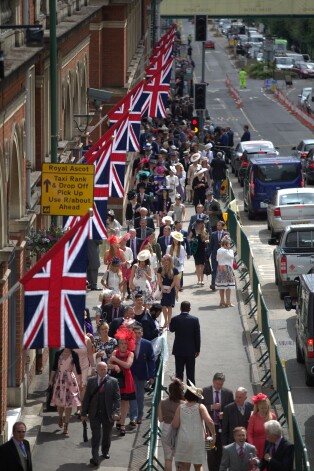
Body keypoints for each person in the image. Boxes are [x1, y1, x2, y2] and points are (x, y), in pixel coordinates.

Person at [81, 362, 121, 467]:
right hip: (94, 413)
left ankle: (105, 451)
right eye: (101, 369)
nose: (103, 371)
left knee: (107, 434)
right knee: (96, 435)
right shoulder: (91, 381)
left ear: (107, 369)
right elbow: (87, 398)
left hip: (107, 413)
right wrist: (83, 413)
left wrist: (116, 411)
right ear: (96, 370)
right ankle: (95, 457)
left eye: (105, 369)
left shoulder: (113, 381)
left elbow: (117, 398)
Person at [172, 382, 216, 471]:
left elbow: (175, 424)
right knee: (198, 466)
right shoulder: (200, 407)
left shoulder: (180, 407)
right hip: (198, 440)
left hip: (183, 439)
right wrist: (213, 434)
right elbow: (210, 422)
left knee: (185, 466)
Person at [107, 324, 136, 437]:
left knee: (125, 403)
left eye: (125, 343)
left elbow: (128, 365)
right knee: (116, 402)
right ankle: (118, 420)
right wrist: (114, 366)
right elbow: (108, 365)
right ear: (118, 344)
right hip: (116, 380)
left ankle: (122, 424)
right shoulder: (115, 353)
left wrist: (116, 361)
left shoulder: (130, 354)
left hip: (127, 380)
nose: (123, 345)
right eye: (121, 343)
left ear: (128, 344)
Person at [203, 372, 234, 471]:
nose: (219, 386)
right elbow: (200, 407)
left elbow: (231, 409)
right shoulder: (205, 391)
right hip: (209, 429)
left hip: (222, 428)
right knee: (210, 452)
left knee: (222, 452)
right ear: (213, 381)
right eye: (217, 384)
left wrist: (224, 414)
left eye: (221, 384)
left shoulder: (228, 393)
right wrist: (211, 407)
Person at [49, 348, 82, 435]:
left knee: (69, 403)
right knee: (60, 403)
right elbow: (54, 367)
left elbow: (78, 368)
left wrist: (80, 381)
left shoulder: (74, 354)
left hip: (70, 380)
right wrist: (51, 379)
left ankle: (66, 425)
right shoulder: (58, 353)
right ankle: (60, 417)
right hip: (59, 380)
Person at [129, 325, 155, 426]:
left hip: (142, 373)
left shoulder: (147, 344)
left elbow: (151, 360)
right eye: (135, 333)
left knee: (140, 396)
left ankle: (139, 416)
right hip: (131, 373)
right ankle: (133, 417)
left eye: (139, 333)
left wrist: (151, 376)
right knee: (132, 395)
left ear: (142, 333)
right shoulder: (129, 342)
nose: (137, 335)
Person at [169, 301, 201, 385]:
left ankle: (178, 393)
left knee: (179, 373)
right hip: (191, 351)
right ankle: (191, 395)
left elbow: (171, 329)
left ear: (180, 308)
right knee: (190, 374)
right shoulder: (194, 320)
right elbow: (197, 336)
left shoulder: (175, 319)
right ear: (189, 309)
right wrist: (197, 349)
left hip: (178, 350)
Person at [158, 379, 185, 471]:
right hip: (179, 431)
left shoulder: (162, 402)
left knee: (168, 459)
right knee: (179, 460)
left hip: (166, 430)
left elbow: (160, 419)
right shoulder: (183, 404)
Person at [247, 393, 277, 459]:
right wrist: (252, 446)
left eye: (265, 408)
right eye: (262, 408)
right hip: (256, 446)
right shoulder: (253, 417)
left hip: (270, 447)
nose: (264, 410)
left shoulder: (273, 416)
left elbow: (277, 432)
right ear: (258, 407)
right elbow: (249, 433)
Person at [73, 333, 95, 416]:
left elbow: (90, 354)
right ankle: (78, 407)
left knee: (82, 386)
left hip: (84, 366)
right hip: (73, 366)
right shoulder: (70, 338)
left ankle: (82, 409)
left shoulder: (87, 339)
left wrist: (93, 367)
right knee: (75, 387)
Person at [157, 254, 180, 327]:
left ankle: (169, 321)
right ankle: (165, 320)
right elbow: (159, 280)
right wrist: (162, 288)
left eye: (168, 260)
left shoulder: (175, 270)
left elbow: (175, 281)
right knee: (163, 306)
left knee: (169, 306)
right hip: (163, 288)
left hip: (171, 289)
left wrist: (170, 289)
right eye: (165, 260)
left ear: (170, 261)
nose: (166, 261)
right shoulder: (160, 269)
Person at [207, 220, 229, 291]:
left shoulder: (226, 234)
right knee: (215, 270)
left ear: (222, 226)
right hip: (215, 256)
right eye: (217, 225)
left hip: (223, 256)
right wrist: (207, 254)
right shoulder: (213, 234)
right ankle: (213, 284)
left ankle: (222, 284)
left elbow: (228, 244)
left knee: (222, 271)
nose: (217, 227)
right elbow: (211, 245)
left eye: (219, 225)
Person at [189, 218, 210, 286]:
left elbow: (208, 239)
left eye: (201, 223)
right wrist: (193, 240)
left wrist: (206, 241)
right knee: (197, 265)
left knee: (202, 265)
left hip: (203, 249)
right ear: (196, 224)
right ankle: (198, 280)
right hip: (196, 250)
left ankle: (202, 280)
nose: (199, 225)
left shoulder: (205, 230)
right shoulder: (193, 230)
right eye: (198, 223)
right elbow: (189, 238)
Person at [216, 236, 236, 307]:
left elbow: (217, 259)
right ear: (225, 244)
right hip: (227, 268)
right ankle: (228, 302)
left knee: (221, 286)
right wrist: (229, 250)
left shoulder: (218, 250)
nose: (230, 245)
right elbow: (231, 257)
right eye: (229, 244)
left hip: (220, 268)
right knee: (228, 286)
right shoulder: (227, 251)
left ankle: (222, 301)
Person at [119, 233, 133, 301]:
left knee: (125, 283)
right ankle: (119, 294)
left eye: (124, 241)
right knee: (120, 282)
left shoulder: (129, 249)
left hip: (127, 268)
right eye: (121, 241)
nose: (123, 243)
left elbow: (131, 259)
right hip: (119, 268)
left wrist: (128, 262)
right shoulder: (118, 250)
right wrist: (121, 263)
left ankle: (123, 296)